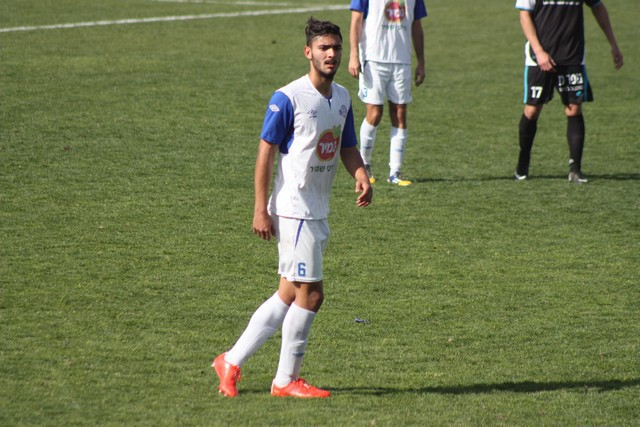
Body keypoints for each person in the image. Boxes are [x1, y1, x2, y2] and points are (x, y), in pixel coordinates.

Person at [212, 17, 372, 399]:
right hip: (294, 210)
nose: (331, 54)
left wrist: (361, 173)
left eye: (336, 48)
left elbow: (346, 145)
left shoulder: (342, 98)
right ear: (308, 53)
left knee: (287, 294)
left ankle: (230, 361)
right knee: (311, 295)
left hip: (317, 209)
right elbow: (265, 153)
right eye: (323, 48)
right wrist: (259, 208)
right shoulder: (288, 98)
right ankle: (285, 380)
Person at [514, 0, 623, 183]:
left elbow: (597, 6)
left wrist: (613, 44)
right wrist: (539, 51)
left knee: (574, 108)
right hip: (538, 57)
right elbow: (524, 15)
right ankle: (522, 164)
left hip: (572, 54)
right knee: (532, 110)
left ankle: (575, 170)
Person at [348, 0, 427, 186]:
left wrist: (421, 62)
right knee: (374, 113)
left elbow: (416, 25)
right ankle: (364, 165)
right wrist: (353, 55)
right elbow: (356, 20)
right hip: (373, 58)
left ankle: (395, 172)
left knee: (399, 113)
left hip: (402, 60)